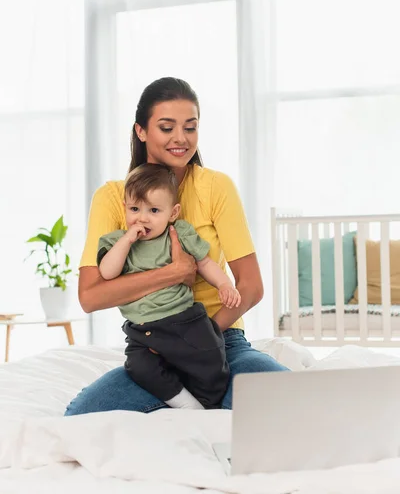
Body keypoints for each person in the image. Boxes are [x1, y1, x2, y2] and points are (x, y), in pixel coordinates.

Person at [65, 76, 288, 416]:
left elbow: (251, 287)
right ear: (141, 131)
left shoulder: (215, 186)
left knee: (292, 401)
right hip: (152, 347)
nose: (181, 139)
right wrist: (173, 273)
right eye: (166, 128)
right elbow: (90, 296)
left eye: (190, 127)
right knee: (81, 417)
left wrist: (198, 341)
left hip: (220, 339)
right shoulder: (113, 198)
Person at [98, 162, 241, 410]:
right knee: (138, 366)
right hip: (144, 329)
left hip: (182, 320)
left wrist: (225, 284)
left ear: (172, 213)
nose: (142, 217)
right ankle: (184, 404)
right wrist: (127, 239)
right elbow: (107, 272)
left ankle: (209, 401)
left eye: (154, 210)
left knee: (211, 355)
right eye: (134, 208)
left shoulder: (179, 234)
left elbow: (205, 262)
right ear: (124, 209)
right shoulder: (117, 242)